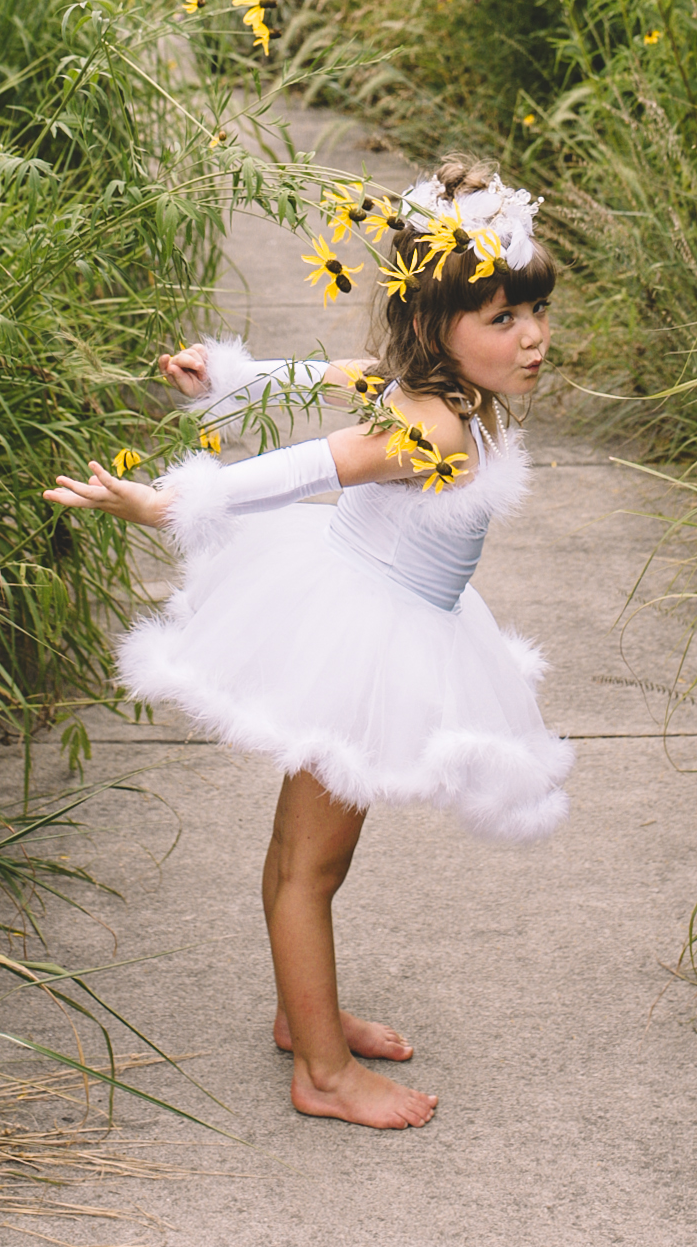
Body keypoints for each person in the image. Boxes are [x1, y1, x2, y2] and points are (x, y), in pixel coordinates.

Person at [45, 155, 572, 1130]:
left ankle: (305, 1011)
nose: (532, 336)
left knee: (299, 848)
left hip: (375, 618)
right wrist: (170, 499)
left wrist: (236, 374)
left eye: (533, 309)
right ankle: (322, 1073)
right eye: (502, 318)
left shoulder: (434, 389)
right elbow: (298, 470)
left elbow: (335, 377)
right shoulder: (437, 429)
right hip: (360, 639)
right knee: (310, 867)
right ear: (437, 325)